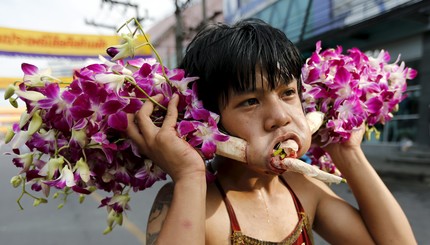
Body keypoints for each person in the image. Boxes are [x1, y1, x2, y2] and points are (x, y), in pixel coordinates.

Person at [126, 19, 416, 244]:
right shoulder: (192, 200)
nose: (279, 117)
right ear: (207, 119)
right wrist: (189, 176)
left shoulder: (302, 188)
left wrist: (348, 153)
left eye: (288, 93)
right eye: (250, 101)